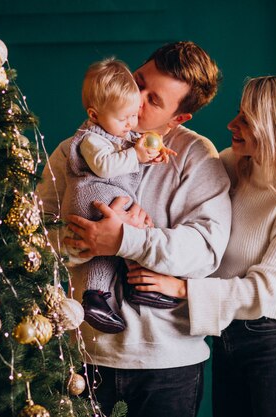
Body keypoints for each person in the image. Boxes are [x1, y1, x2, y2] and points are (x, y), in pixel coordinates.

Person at [127, 74, 276, 417]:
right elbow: (190, 219)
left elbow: (265, 292)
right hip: (225, 337)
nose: (232, 124)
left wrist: (182, 289)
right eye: (239, 113)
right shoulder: (233, 165)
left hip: (275, 347)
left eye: (247, 120)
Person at [36, 41, 231, 417]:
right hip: (85, 357)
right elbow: (36, 234)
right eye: (137, 80)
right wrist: (87, 244)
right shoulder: (75, 150)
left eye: (154, 100)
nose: (135, 98)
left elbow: (206, 251)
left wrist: (126, 239)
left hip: (167, 365)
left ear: (177, 119)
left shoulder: (197, 157)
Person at [61, 57, 176, 334]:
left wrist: (149, 156)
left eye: (134, 115)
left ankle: (130, 289)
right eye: (123, 118)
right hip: (92, 197)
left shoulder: (119, 134)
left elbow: (128, 155)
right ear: (94, 114)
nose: (130, 124)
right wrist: (137, 154)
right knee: (128, 232)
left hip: (109, 197)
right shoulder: (91, 138)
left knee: (131, 235)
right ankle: (97, 296)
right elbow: (106, 165)